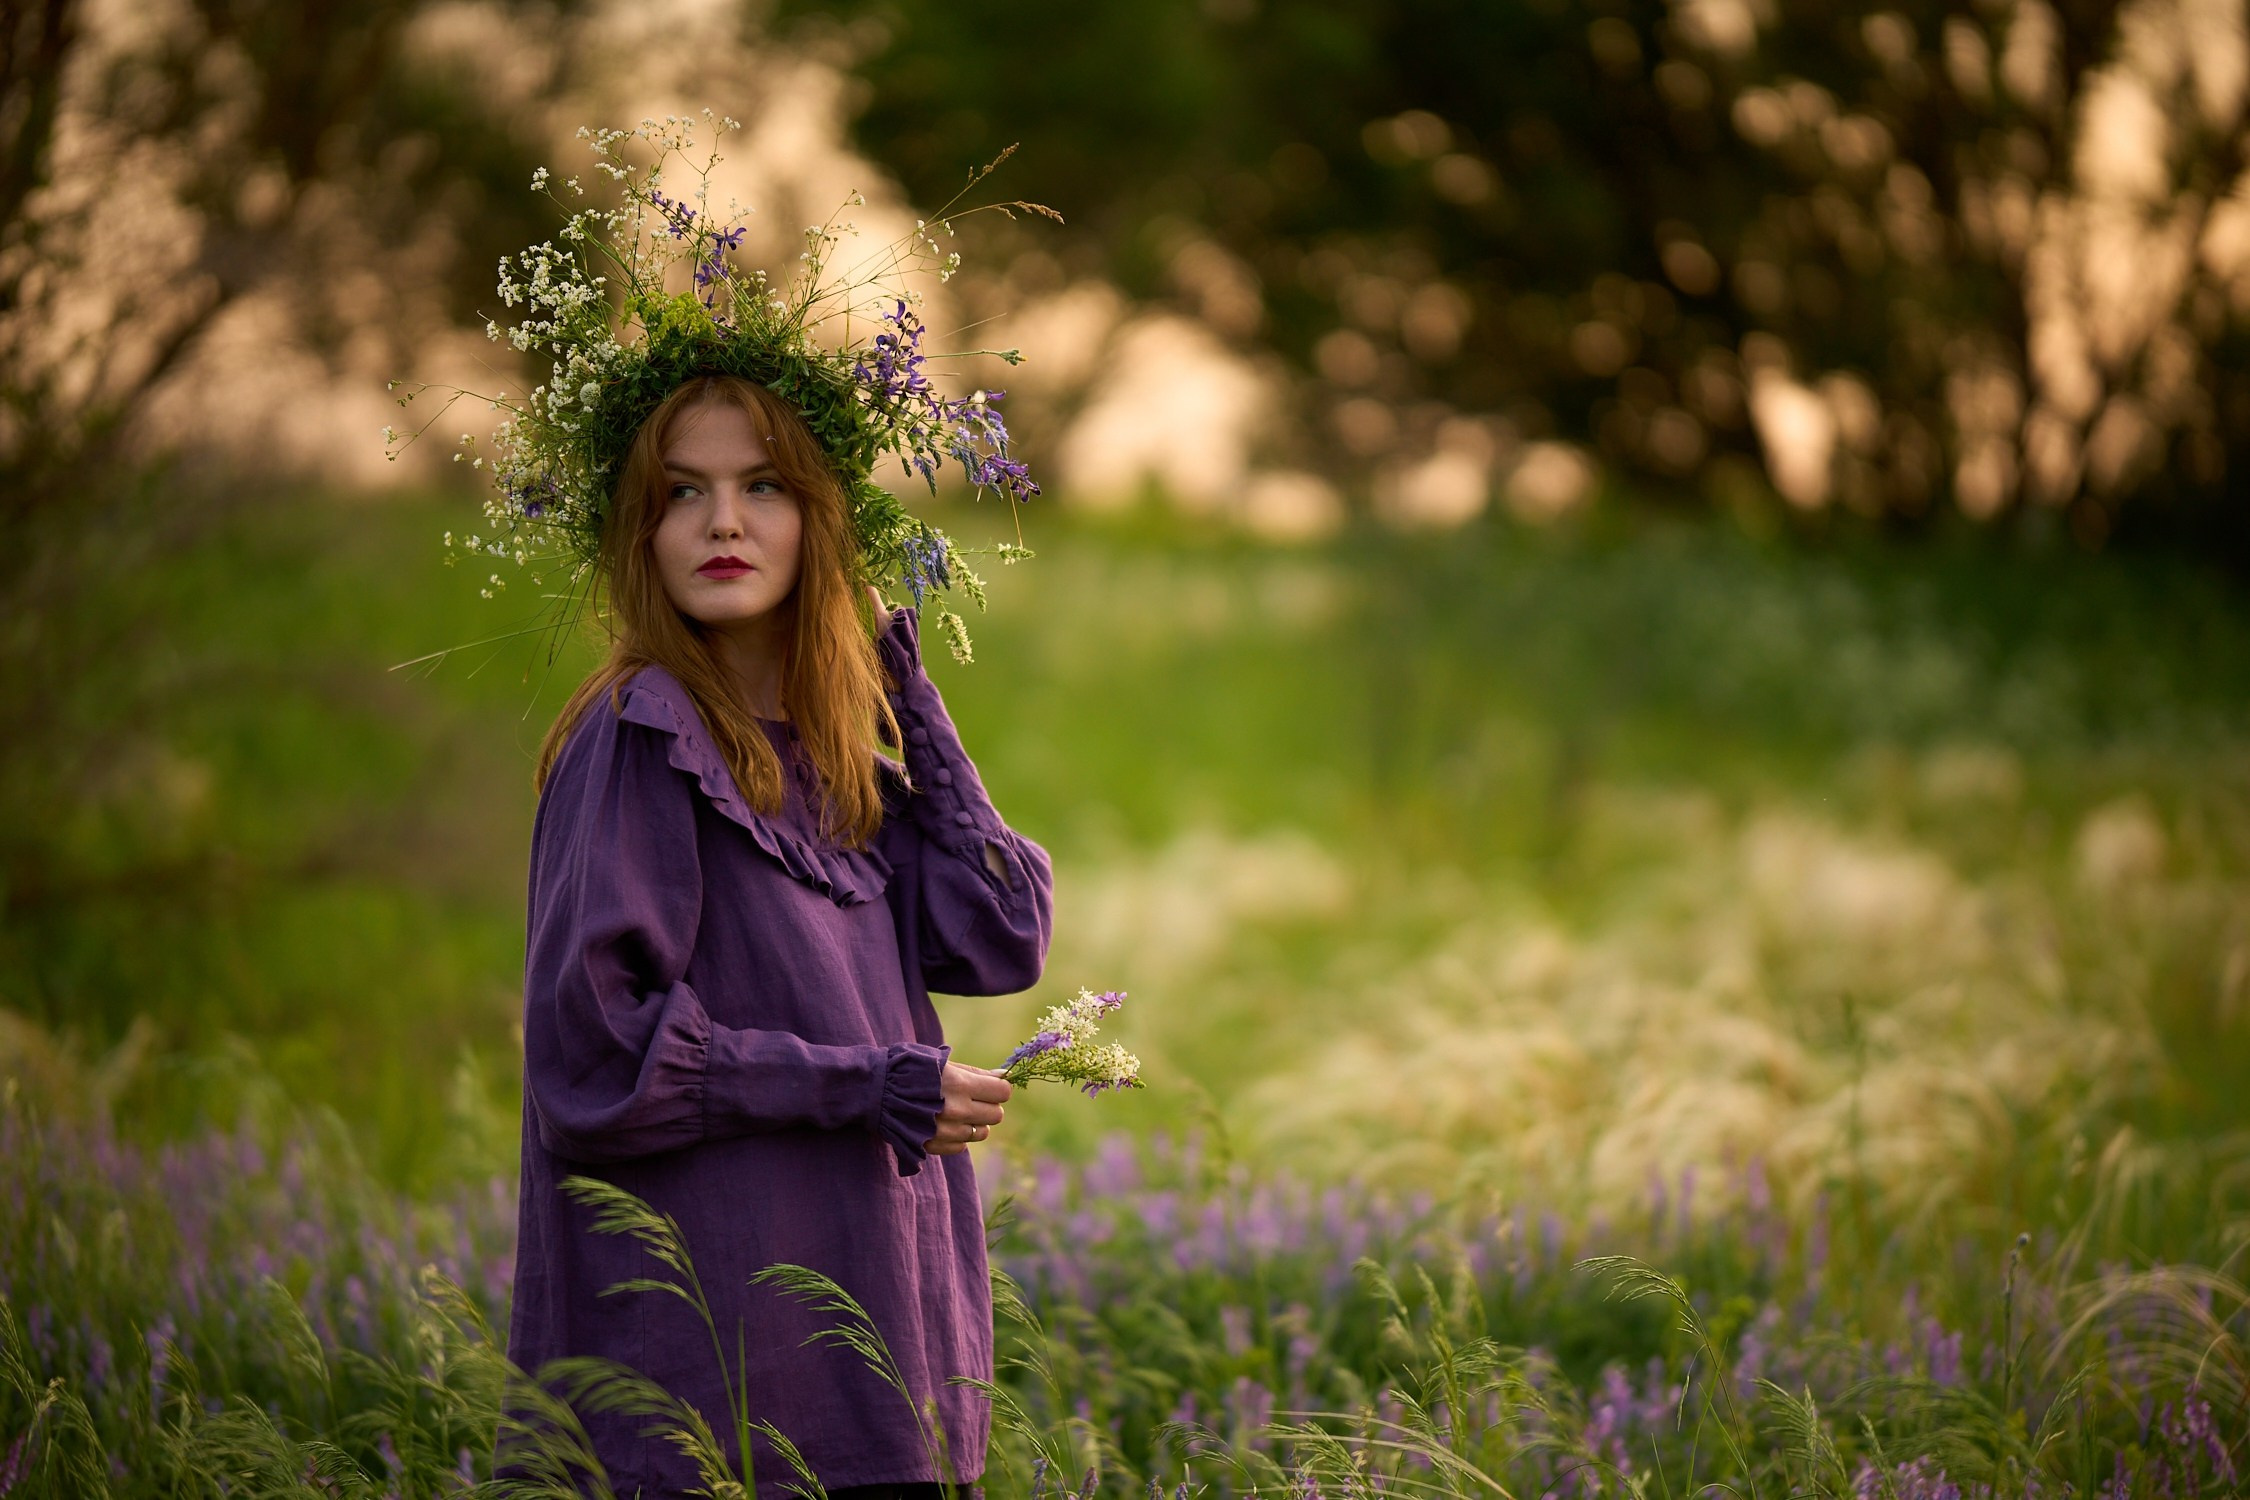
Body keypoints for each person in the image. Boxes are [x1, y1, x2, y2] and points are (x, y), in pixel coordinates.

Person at [505, 372, 1053, 1497]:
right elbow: (596, 1058)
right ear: (640, 532)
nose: (723, 522)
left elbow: (1001, 935)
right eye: (681, 492)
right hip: (722, 1375)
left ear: (820, 520)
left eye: (763, 486)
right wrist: (866, 1086)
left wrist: (910, 705)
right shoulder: (638, 737)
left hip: (879, 1342)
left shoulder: (842, 768)